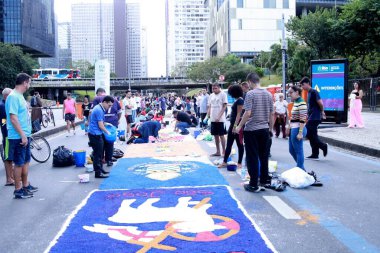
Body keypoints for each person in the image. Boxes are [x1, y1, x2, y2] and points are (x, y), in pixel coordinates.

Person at [235, 73, 273, 193]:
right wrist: (270, 128)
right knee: (263, 156)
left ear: (250, 82)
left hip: (252, 129)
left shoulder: (250, 94)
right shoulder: (268, 94)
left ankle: (253, 184)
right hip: (264, 129)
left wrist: (239, 126)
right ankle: (264, 181)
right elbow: (272, 114)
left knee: (252, 157)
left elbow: (248, 113)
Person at [5, 73, 38, 199]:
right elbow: (13, 118)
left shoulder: (20, 96)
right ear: (24, 82)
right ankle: (18, 189)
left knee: (25, 161)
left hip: (25, 134)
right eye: (29, 82)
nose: (29, 85)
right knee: (18, 163)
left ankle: (25, 185)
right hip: (18, 136)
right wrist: (22, 135)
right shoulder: (13, 97)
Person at [300, 77, 328, 160]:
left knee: (308, 133)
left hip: (315, 117)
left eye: (303, 85)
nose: (302, 87)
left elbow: (320, 103)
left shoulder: (313, 91)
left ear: (308, 83)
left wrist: (322, 111)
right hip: (311, 116)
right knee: (313, 135)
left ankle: (323, 146)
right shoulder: (309, 93)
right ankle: (315, 153)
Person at [218, 84, 244, 169]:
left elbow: (239, 114)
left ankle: (239, 163)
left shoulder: (240, 100)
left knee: (239, 144)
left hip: (236, 126)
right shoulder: (237, 100)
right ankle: (225, 162)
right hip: (233, 124)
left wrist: (235, 126)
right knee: (229, 144)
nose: (230, 94)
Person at [88, 95, 114, 178]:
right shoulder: (99, 110)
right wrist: (107, 132)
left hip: (97, 133)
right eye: (109, 105)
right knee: (97, 154)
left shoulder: (100, 107)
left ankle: (100, 169)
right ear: (104, 102)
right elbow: (100, 125)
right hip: (95, 134)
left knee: (100, 153)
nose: (109, 107)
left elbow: (100, 122)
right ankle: (98, 173)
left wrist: (106, 124)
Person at [286, 86, 308, 170]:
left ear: (297, 92)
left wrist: (300, 132)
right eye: (289, 93)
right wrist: (288, 126)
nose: (289, 94)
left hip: (298, 128)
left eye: (291, 92)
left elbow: (303, 118)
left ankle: (299, 169)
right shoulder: (296, 102)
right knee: (291, 150)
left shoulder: (301, 102)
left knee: (299, 151)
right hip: (294, 128)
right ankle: (301, 169)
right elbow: (292, 117)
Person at [207, 83, 227, 157]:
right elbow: (209, 106)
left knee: (221, 135)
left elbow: (224, 106)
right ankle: (218, 151)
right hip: (213, 118)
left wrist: (219, 116)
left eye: (215, 88)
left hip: (220, 119)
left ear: (219, 88)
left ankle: (224, 151)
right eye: (213, 88)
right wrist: (208, 115)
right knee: (215, 135)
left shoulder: (223, 94)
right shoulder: (211, 95)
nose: (214, 90)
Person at [0, 88, 14, 186]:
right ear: (6, 96)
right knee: (8, 157)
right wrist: (7, 132)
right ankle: (9, 179)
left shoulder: (6, 104)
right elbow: (3, 121)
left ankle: (11, 178)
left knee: (10, 157)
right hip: (7, 136)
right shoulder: (2, 106)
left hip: (9, 135)